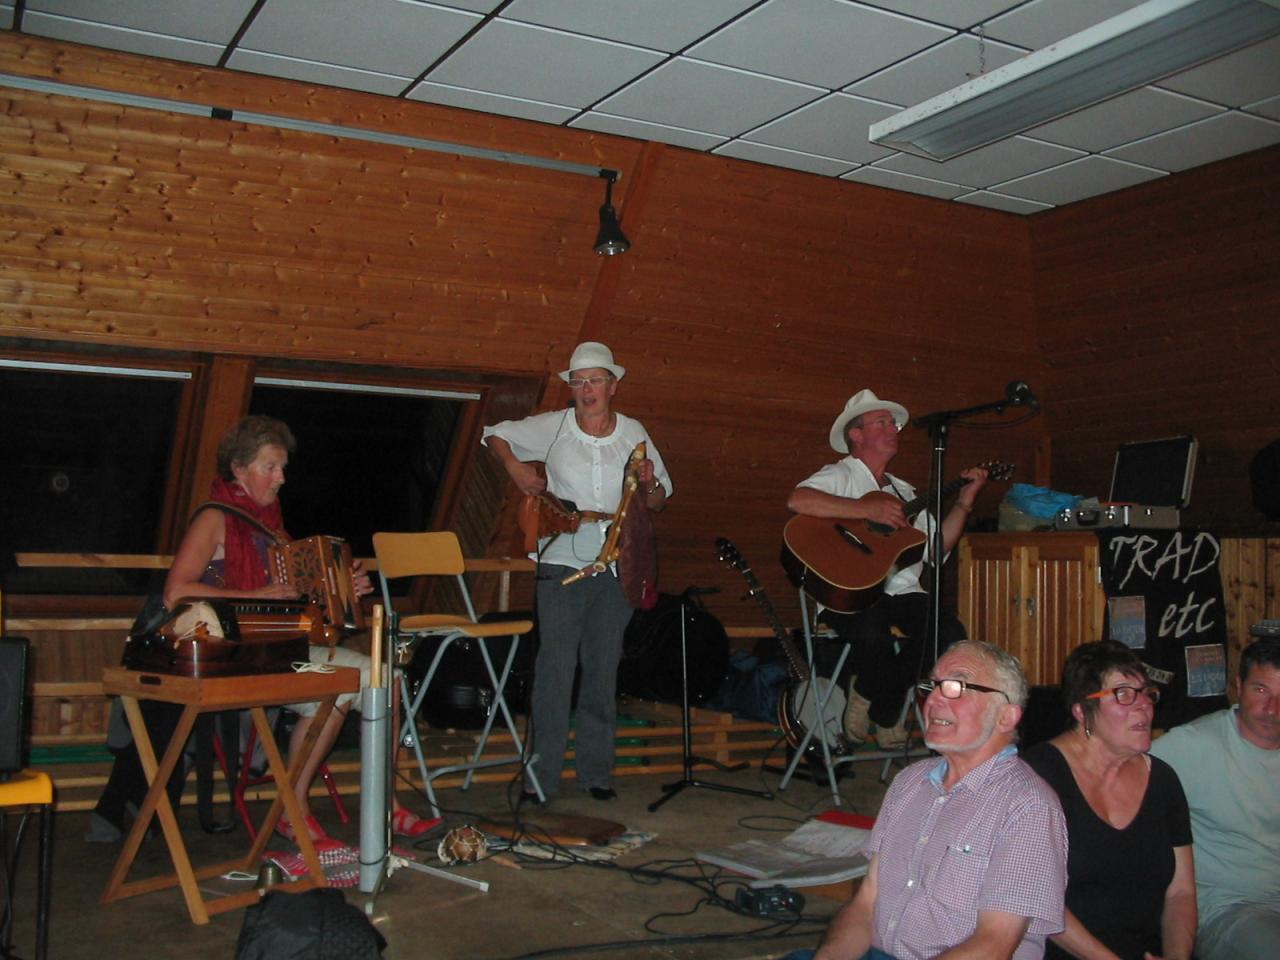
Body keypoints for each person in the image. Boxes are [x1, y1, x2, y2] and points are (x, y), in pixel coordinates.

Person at [159, 414, 436, 844]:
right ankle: (293, 808)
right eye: (270, 467)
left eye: (283, 467)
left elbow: (298, 604)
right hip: (236, 655)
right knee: (338, 687)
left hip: (278, 646)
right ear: (238, 468)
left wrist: (348, 588)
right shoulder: (214, 518)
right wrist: (261, 593)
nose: (281, 477)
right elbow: (175, 593)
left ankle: (386, 804)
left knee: (391, 681)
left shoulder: (273, 529)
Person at [482, 342, 671, 802]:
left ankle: (596, 774)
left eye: (596, 380)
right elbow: (493, 433)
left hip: (616, 564)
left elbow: (660, 498)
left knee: (602, 669)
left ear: (613, 386)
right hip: (562, 558)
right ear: (572, 388)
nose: (587, 389)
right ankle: (539, 779)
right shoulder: (556, 425)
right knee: (555, 670)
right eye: (579, 381)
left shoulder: (634, 432)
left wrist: (648, 483)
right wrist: (516, 469)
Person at [812, 640, 1068, 960]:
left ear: (1005, 717)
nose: (932, 699)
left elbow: (994, 945)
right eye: (932, 686)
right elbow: (866, 901)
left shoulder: (1028, 806)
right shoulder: (910, 782)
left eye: (955, 687)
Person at [787, 389, 987, 747]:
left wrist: (965, 503)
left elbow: (937, 548)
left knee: (949, 633)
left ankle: (873, 696)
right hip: (850, 591)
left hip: (903, 592)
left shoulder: (904, 491)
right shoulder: (840, 474)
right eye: (882, 422)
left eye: (892, 423)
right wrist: (866, 510)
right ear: (856, 434)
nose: (893, 428)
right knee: (872, 629)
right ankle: (890, 709)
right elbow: (799, 500)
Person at [1023, 641, 1196, 960]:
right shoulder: (1037, 777)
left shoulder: (1163, 780)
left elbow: (1181, 892)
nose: (1143, 705)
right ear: (1081, 711)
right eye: (1123, 694)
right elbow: (1035, 898)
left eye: (1146, 693)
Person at [1148, 636, 1280, 960]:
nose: (1272, 709)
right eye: (1260, 690)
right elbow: (1118, 770)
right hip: (1230, 912)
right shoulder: (1195, 746)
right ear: (1238, 686)